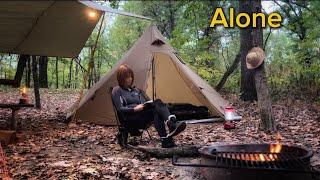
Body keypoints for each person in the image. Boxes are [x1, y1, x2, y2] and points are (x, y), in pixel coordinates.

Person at [112, 64, 186, 148]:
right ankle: (171, 126)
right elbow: (120, 109)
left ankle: (166, 138)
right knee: (157, 106)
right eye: (127, 77)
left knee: (157, 106)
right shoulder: (117, 90)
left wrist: (146, 105)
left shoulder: (137, 90)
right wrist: (134, 109)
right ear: (121, 78)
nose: (130, 79)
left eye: (131, 76)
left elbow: (149, 103)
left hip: (143, 116)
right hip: (130, 119)